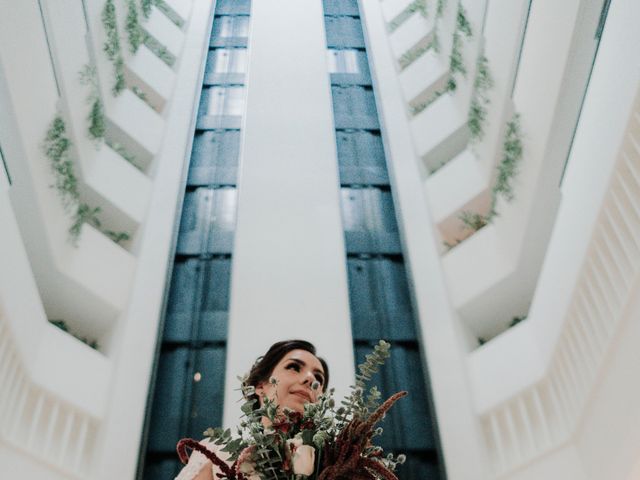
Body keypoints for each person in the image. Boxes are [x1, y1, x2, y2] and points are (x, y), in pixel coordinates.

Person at [174, 339, 329, 480]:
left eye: (319, 378)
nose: (310, 379)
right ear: (260, 386)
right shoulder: (219, 451)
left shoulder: (334, 460)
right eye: (294, 367)